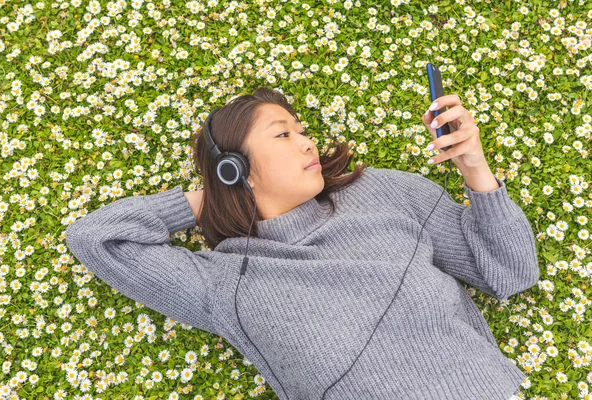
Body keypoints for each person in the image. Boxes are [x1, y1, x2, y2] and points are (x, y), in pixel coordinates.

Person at [65, 86, 539, 399]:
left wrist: (475, 168)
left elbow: (511, 273)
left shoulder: (382, 191)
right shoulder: (225, 282)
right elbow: (96, 238)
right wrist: (212, 194)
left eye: (303, 130)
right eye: (284, 135)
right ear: (237, 167)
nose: (308, 143)